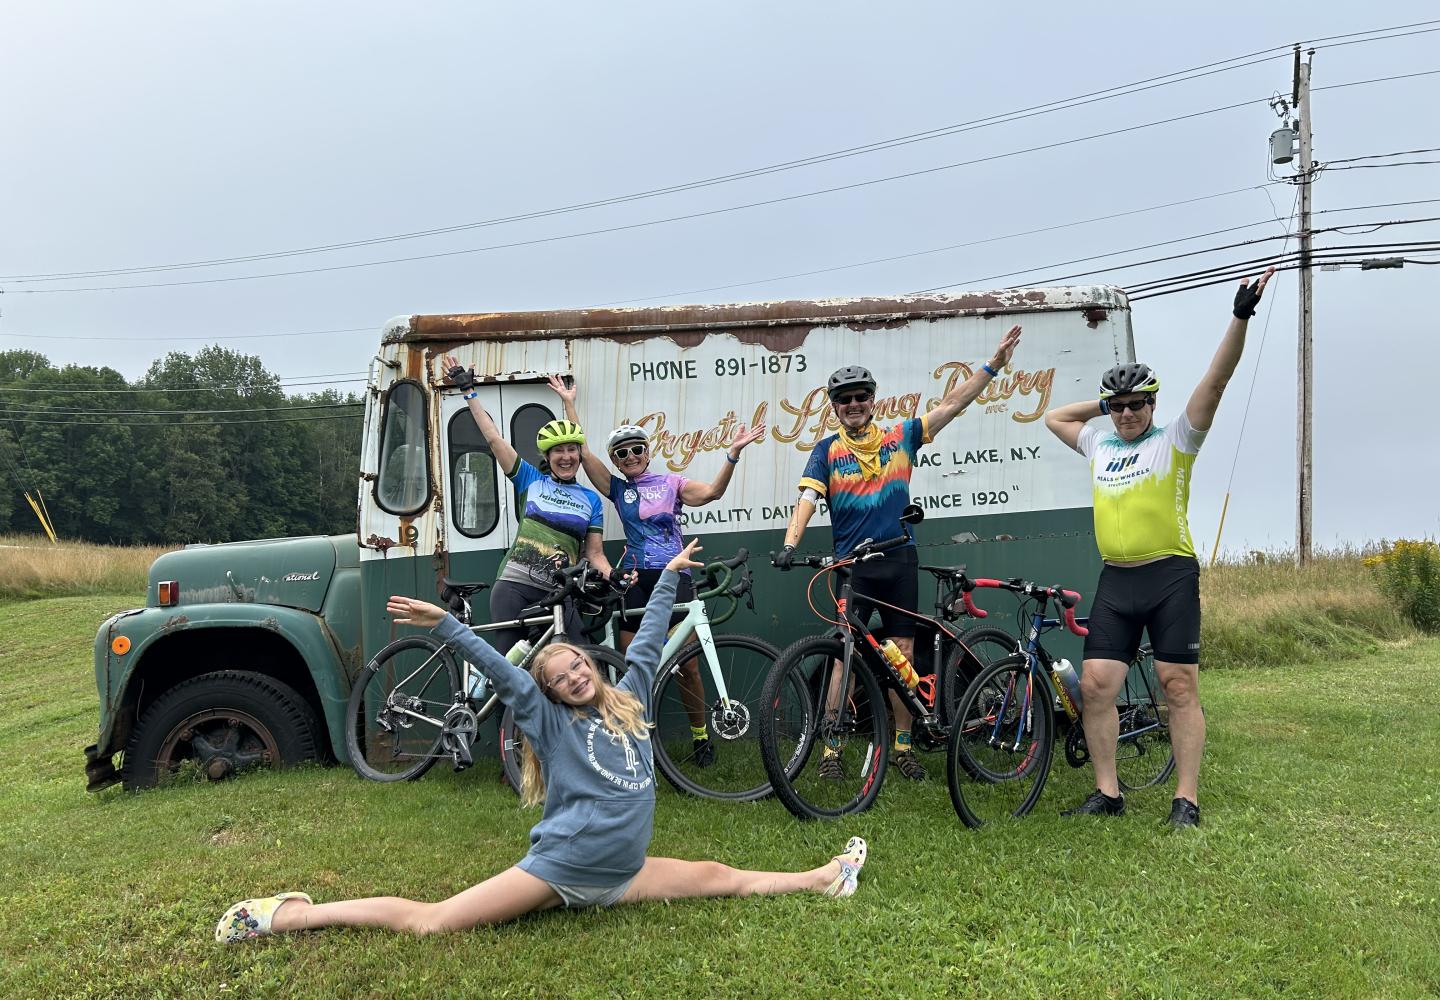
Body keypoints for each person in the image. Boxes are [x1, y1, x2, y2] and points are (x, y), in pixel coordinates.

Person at [215, 541, 867, 942]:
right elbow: (503, 671)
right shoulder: (551, 721)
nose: (575, 676)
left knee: (721, 876)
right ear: (549, 693)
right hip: (562, 871)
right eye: (559, 678)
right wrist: (445, 624)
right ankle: (293, 916)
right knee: (433, 921)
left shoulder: (631, 695)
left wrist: (668, 576)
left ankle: (823, 877)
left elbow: (645, 638)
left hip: (622, 876)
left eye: (578, 666)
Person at [1041, 268, 1274, 828]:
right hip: (1117, 580)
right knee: (1096, 686)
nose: (1126, 413)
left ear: (1152, 404)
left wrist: (1239, 317)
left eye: (1135, 404)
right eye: (1117, 405)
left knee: (1177, 685)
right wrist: (1103, 403)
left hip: (1169, 576)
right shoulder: (1099, 440)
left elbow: (1215, 385)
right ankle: (1109, 793)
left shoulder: (1175, 439)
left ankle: (1186, 800)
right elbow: (1054, 417)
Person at [772, 326, 1023, 781]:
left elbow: (951, 406)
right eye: (844, 399)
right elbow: (806, 500)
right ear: (834, 407)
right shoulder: (826, 451)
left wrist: (993, 365)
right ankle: (832, 750)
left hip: (899, 561)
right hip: (852, 567)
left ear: (873, 400)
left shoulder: (900, 437)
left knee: (901, 652)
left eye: (860, 397)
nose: (853, 405)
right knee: (841, 655)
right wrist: (790, 544)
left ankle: (903, 746)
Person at [547, 375, 765, 767]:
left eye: (636, 450)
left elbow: (713, 493)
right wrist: (568, 403)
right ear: (615, 460)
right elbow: (580, 449)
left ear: (647, 452)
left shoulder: (671, 482)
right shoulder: (616, 489)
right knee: (632, 666)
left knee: (688, 666)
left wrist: (731, 455)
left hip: (674, 575)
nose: (630, 457)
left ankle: (700, 737)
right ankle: (633, 743)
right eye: (621, 454)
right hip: (634, 581)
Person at [443, 356, 617, 654]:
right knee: (515, 674)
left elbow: (596, 554)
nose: (566, 457)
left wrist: (615, 577)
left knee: (579, 661)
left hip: (560, 593)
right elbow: (494, 439)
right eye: (558, 451)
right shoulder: (530, 480)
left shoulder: (591, 500)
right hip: (514, 587)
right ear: (548, 458)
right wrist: (469, 392)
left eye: (572, 451)